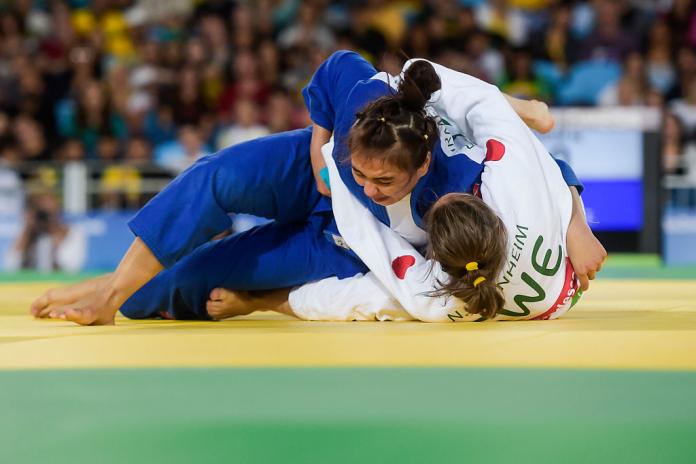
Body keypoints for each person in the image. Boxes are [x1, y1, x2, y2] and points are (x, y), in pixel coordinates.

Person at [30, 52, 600, 324]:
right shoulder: (363, 108)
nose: (374, 187)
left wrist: (263, 302)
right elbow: (336, 67)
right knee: (216, 176)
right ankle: (106, 295)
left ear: (422, 168)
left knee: (203, 280)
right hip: (320, 171)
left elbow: (543, 168)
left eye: (387, 181)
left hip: (350, 248)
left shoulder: (467, 196)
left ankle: (121, 289)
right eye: (367, 173)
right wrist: (322, 145)